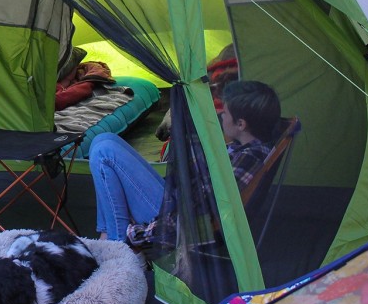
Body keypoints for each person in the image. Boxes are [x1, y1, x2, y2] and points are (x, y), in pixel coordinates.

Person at [90, 80, 282, 245]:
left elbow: (197, 214)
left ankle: (117, 242)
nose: (221, 116)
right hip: (176, 197)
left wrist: (140, 232)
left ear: (241, 124)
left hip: (173, 215)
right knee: (104, 139)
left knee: (104, 152)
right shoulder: (247, 146)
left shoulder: (247, 159)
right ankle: (107, 232)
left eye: (226, 113)